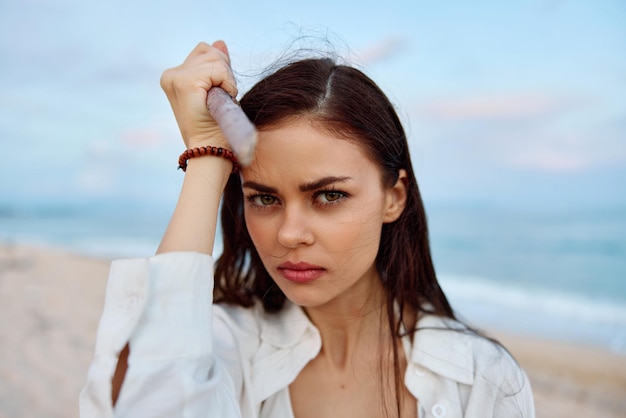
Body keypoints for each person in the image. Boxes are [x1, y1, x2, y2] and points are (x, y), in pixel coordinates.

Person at [80, 40, 535, 418]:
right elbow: (145, 398)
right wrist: (206, 156)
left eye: (329, 195)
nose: (289, 234)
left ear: (393, 197)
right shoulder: (222, 350)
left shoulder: (482, 379)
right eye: (264, 198)